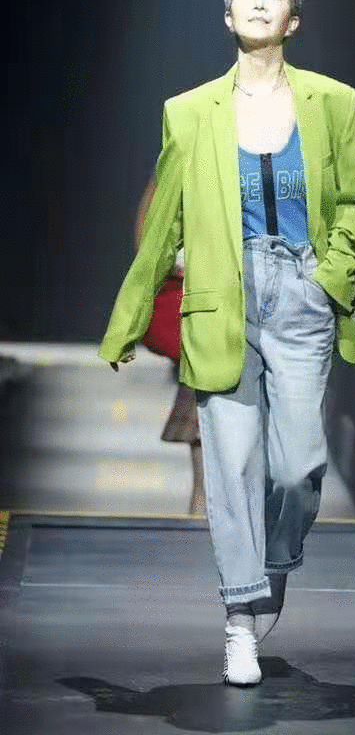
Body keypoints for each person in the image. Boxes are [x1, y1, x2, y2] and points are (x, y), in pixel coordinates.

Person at [99, 0, 355, 686]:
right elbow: (163, 224)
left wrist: (331, 275)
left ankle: (274, 565)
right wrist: (130, 318)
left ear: (294, 18)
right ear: (227, 16)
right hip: (224, 294)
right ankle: (240, 621)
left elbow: (353, 204)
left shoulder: (333, 102)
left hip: (302, 295)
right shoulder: (189, 111)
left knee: (297, 465)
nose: (257, 3)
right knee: (231, 463)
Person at [134, 178, 205, 516]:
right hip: (198, 310)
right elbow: (147, 229)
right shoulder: (179, 162)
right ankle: (201, 511)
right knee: (204, 410)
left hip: (229, 304)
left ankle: (202, 510)